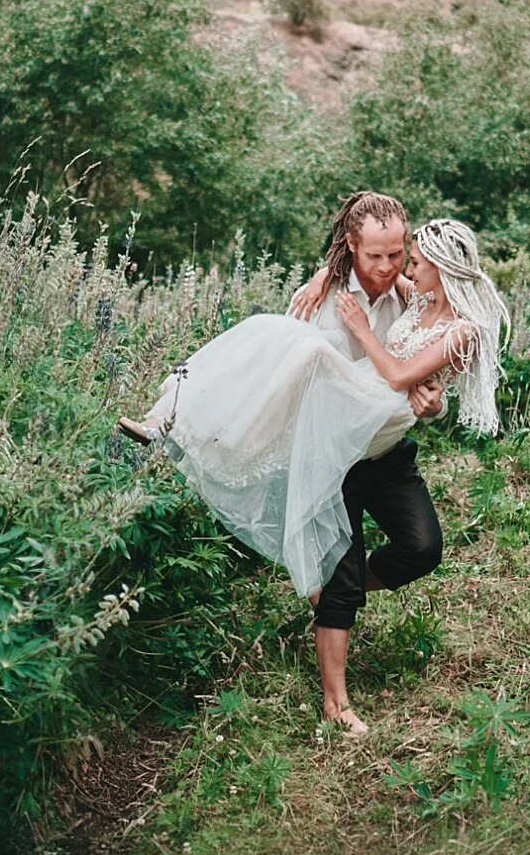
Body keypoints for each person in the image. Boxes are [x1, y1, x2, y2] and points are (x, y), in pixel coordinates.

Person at [120, 197, 508, 736]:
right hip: (336, 448)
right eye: (383, 255)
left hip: (386, 450)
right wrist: (327, 278)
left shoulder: (411, 298)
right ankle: (175, 414)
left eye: (405, 257)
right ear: (353, 248)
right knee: (288, 339)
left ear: (431, 266)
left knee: (421, 549)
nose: (395, 266)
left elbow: (407, 373)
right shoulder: (329, 295)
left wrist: (432, 397)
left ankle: (330, 597)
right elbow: (351, 347)